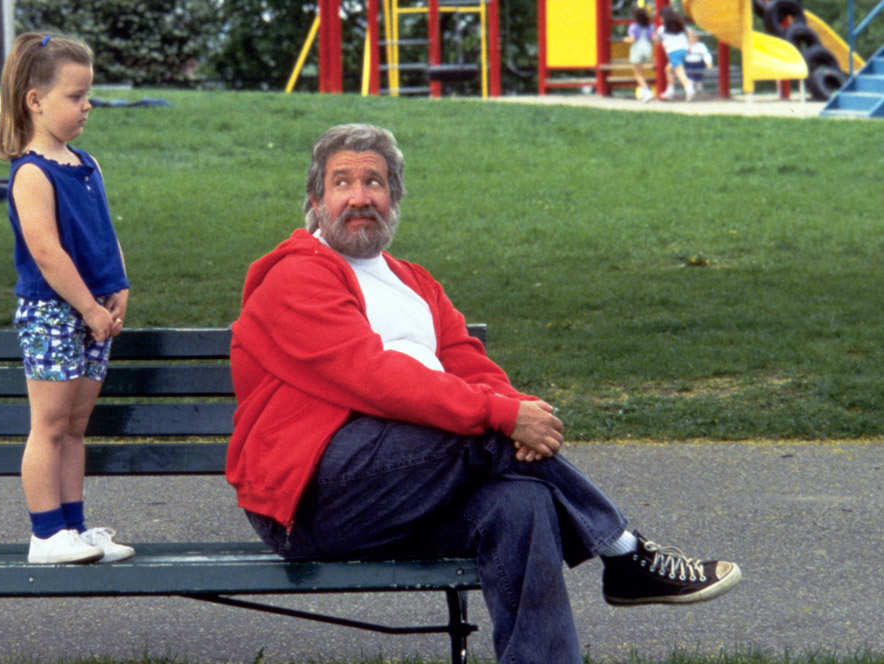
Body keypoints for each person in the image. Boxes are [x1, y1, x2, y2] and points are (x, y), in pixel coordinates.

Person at [228, 124, 742, 664]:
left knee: (523, 502)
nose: (360, 197)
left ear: (395, 198)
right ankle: (627, 554)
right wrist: (503, 417)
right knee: (484, 437)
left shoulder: (414, 283)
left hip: (410, 491)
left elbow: (468, 362)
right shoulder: (295, 277)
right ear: (316, 200)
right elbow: (374, 378)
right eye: (342, 183)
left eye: (375, 182)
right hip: (314, 502)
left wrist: (516, 410)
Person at [0, 32, 135, 565]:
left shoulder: (85, 163)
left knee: (76, 427)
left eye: (87, 95)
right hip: (56, 312)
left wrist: (117, 285)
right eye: (75, 97)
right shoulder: (32, 172)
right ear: (36, 100)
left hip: (95, 312)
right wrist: (89, 308)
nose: (86, 106)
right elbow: (48, 254)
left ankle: (74, 527)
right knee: (49, 426)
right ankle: (45, 534)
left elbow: (103, 231)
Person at [657, 7, 695, 101]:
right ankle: (670, 90)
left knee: (679, 71)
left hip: (674, 51)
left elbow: (658, 41)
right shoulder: (681, 26)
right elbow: (690, 32)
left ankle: (688, 87)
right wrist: (689, 46)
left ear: (663, 17)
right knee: (668, 69)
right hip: (684, 50)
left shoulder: (662, 29)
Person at [624, 7, 656, 102]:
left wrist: (625, 40)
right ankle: (643, 94)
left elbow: (632, 39)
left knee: (637, 74)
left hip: (637, 49)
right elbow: (653, 39)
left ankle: (647, 91)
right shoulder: (650, 26)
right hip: (647, 49)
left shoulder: (633, 26)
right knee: (641, 72)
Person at [684, 29, 714, 95]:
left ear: (697, 38)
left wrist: (708, 62)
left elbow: (706, 53)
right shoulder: (685, 45)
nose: (692, 39)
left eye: (694, 37)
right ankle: (690, 90)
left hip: (698, 63)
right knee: (689, 77)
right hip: (688, 63)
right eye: (690, 37)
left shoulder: (700, 45)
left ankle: (699, 89)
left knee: (698, 77)